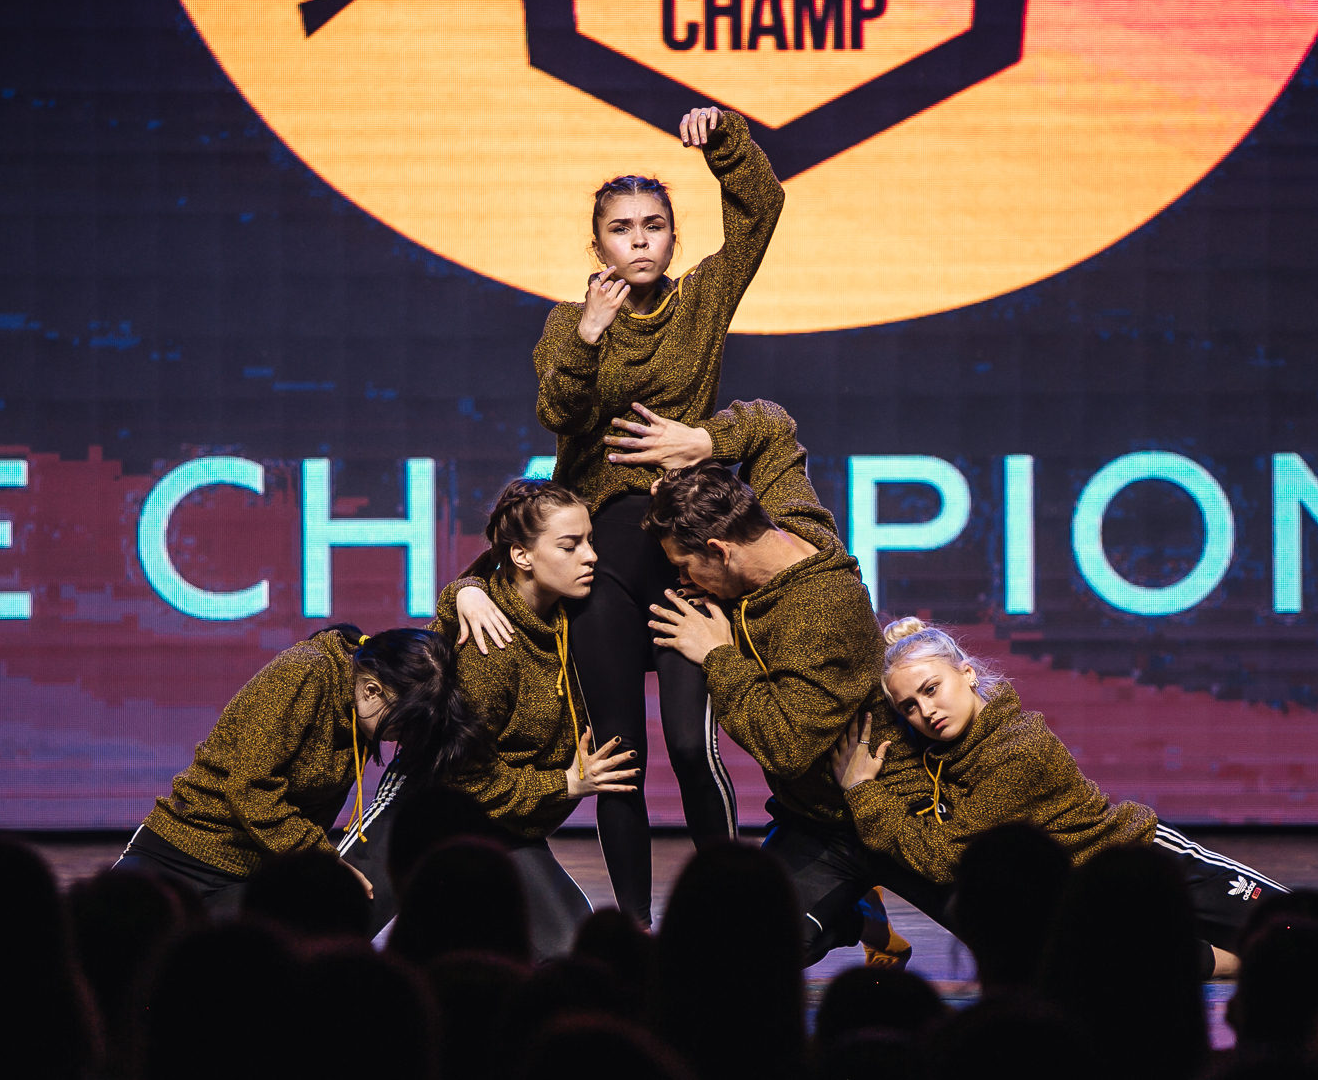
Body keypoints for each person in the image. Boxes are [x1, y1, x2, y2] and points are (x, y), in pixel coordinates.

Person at [457, 107, 785, 927]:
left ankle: (730, 915)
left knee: (691, 744)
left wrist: (725, 142)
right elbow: (558, 414)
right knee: (618, 756)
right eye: (621, 228)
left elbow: (762, 210)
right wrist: (588, 336)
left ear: (672, 236)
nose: (639, 241)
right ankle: (634, 927)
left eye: (653, 226)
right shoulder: (569, 324)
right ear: (597, 242)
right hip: (600, 564)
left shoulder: (701, 300)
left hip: (681, 558)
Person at [640, 400, 948, 966]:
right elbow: (773, 428)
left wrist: (718, 656)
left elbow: (787, 745)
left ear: (719, 551)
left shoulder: (820, 612)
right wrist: (704, 442)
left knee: (1020, 941)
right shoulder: (790, 525)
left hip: (901, 808)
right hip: (820, 825)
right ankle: (858, 915)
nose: (683, 581)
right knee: (740, 949)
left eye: (685, 567)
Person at [833, 617, 1292, 977]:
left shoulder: (1018, 748)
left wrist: (862, 791)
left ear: (967, 674)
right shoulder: (941, 757)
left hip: (1143, 863)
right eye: (909, 706)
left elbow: (942, 859)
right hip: (1093, 902)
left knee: (1301, 932)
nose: (926, 711)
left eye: (931, 689)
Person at [350, 479, 642, 960]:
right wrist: (566, 785)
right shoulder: (490, 645)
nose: (591, 556)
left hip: (504, 822)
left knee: (570, 949)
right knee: (327, 922)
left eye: (590, 541)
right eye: (570, 545)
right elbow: (466, 779)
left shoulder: (571, 617)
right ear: (522, 556)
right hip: (430, 805)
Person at [114, 624, 486, 917]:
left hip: (253, 876)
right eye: (402, 726)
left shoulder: (373, 699)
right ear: (372, 690)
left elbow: (431, 650)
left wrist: (467, 591)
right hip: (181, 854)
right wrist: (323, 859)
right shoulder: (305, 672)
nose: (401, 738)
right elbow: (250, 789)